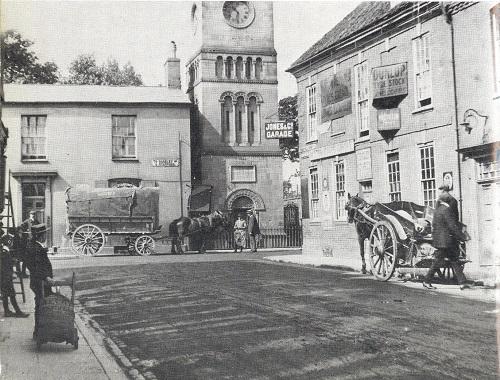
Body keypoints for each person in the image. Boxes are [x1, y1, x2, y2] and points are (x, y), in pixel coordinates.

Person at [423, 191, 470, 290]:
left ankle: (462, 282)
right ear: (448, 201)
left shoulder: (437, 210)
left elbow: (435, 226)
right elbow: (452, 226)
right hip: (446, 241)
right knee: (438, 262)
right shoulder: (446, 210)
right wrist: (462, 237)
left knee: (454, 260)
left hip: (441, 241)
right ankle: (427, 281)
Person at [22, 222, 54, 338]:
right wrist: (47, 277)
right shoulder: (36, 248)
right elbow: (37, 266)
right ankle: (40, 332)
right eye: (44, 234)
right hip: (40, 282)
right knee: (41, 305)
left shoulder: (34, 246)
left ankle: (39, 331)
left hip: (38, 281)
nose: (46, 235)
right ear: (41, 235)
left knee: (40, 304)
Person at [1, 228, 30, 318]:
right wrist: (12, 272)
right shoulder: (5, 252)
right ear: (9, 243)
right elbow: (5, 266)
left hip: (3, 277)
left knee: (5, 294)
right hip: (6, 277)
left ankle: (7, 311)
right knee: (12, 294)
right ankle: (18, 312)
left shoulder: (3, 251)